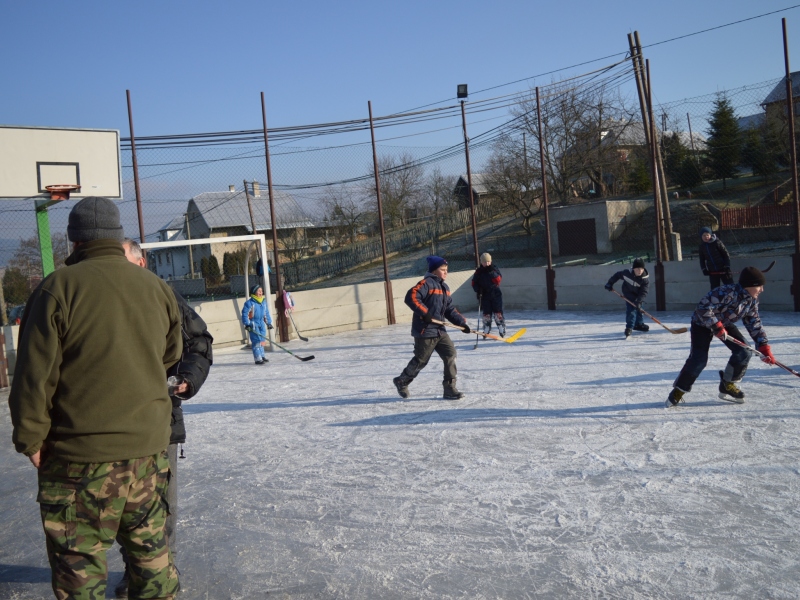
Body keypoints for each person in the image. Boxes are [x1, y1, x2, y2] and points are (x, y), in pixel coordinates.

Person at [8, 197, 183, 599]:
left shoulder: (57, 289)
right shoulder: (156, 287)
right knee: (152, 564)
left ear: (75, 240)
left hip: (78, 462)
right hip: (148, 456)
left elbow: (34, 376)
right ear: (117, 236)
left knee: (79, 572)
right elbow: (171, 354)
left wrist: (31, 440)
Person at [114, 238, 214, 598]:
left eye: (121, 261)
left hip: (160, 422)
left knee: (160, 504)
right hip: (112, 425)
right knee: (124, 506)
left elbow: (199, 342)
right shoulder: (102, 298)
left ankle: (162, 569)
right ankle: (133, 569)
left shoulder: (165, 297)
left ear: (140, 265)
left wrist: (186, 379)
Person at [666, 266, 774, 407]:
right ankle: (679, 390)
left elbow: (754, 323)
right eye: (759, 286)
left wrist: (763, 346)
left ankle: (727, 384)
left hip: (724, 324)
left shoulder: (751, 301)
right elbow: (702, 308)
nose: (762, 290)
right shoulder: (726, 292)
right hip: (702, 324)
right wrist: (716, 326)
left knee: (744, 351)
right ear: (750, 285)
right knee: (699, 359)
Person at [393, 255, 472, 400]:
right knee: (421, 360)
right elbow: (411, 297)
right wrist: (425, 313)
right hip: (425, 330)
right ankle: (402, 380)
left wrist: (461, 323)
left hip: (440, 331)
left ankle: (449, 388)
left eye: (447, 269)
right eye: (442, 269)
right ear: (434, 271)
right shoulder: (426, 284)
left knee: (450, 355)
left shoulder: (445, 288)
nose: (446, 272)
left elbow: (449, 309)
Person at [604, 257, 650, 338]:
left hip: (638, 296)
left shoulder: (645, 280)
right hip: (628, 294)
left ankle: (639, 324)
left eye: (641, 269)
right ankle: (629, 327)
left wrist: (639, 301)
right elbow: (617, 275)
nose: (639, 271)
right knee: (631, 311)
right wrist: (610, 283)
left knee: (639, 309)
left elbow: (644, 292)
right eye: (637, 269)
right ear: (633, 268)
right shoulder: (627, 273)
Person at [471, 252, 505, 337]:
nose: (486, 263)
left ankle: (501, 326)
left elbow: (498, 280)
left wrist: (491, 272)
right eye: (484, 262)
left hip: (495, 293)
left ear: (491, 261)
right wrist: (478, 290)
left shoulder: (494, 269)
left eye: (488, 262)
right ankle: (486, 327)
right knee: (486, 312)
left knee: (497, 311)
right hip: (484, 295)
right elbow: (474, 282)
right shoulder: (479, 271)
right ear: (481, 262)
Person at [241, 283, 273, 364]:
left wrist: (268, 322)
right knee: (256, 341)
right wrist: (247, 324)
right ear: (254, 292)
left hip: (261, 323)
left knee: (262, 340)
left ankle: (262, 355)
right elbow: (245, 314)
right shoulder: (250, 303)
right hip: (253, 324)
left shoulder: (263, 302)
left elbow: (266, 313)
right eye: (259, 291)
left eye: (261, 291)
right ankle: (257, 358)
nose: (261, 292)